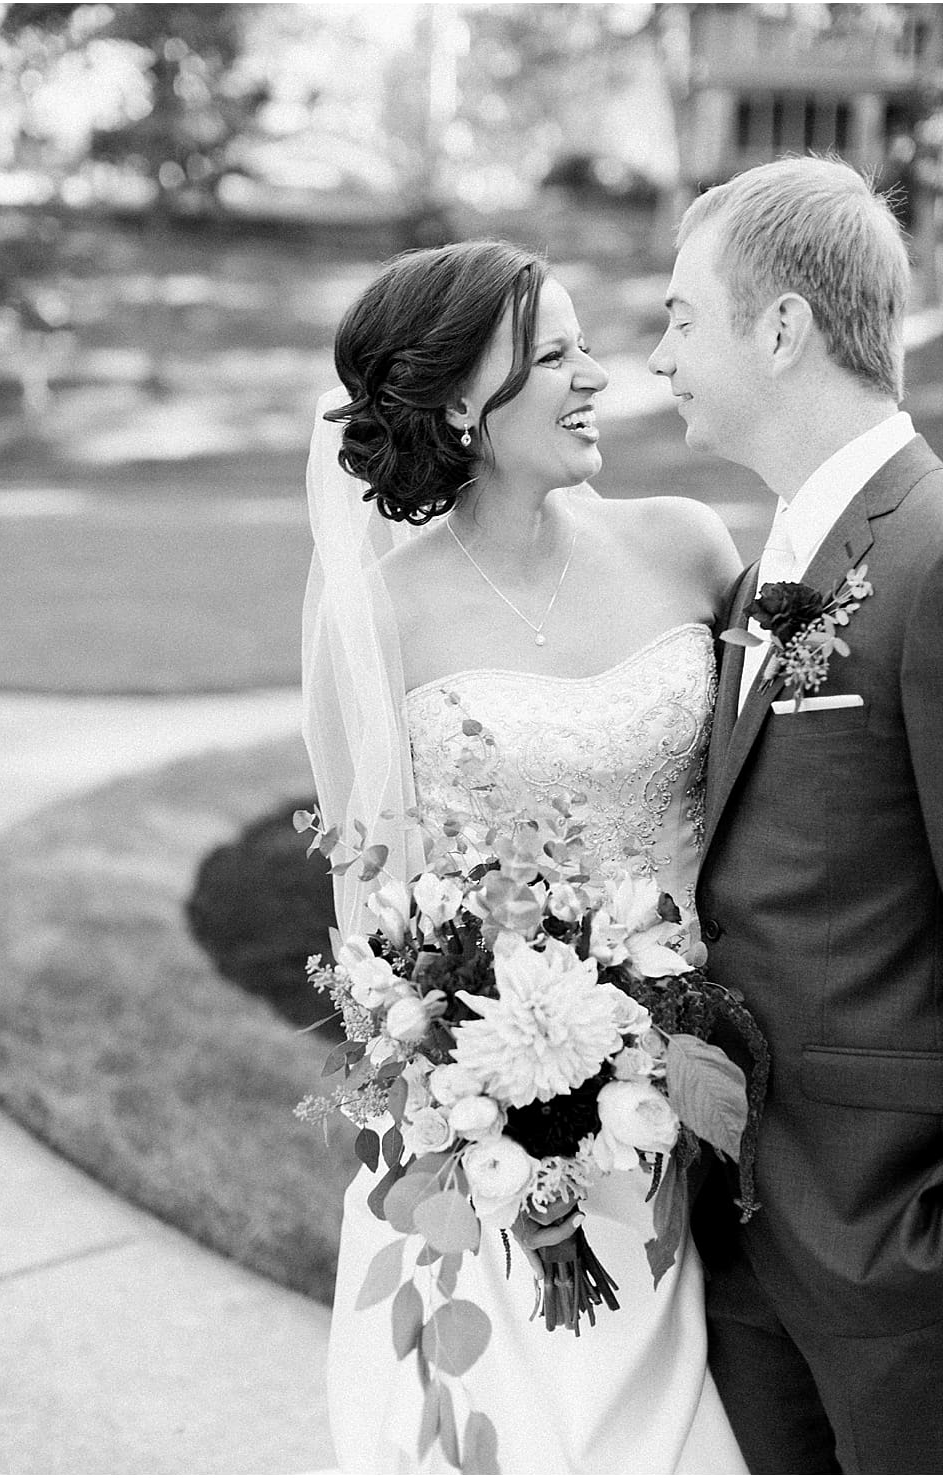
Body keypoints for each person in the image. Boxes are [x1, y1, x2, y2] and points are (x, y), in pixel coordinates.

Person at [306, 240, 748, 1471]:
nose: (597, 375)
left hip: (706, 1094)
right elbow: (373, 916)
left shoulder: (689, 548)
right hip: (490, 1135)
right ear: (460, 405)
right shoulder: (381, 616)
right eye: (554, 355)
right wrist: (474, 1093)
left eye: (587, 345)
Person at [660, 158, 942, 1476]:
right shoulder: (763, 557)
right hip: (744, 1238)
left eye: (678, 316)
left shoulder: (932, 556)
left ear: (775, 328)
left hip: (893, 1267)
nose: (653, 352)